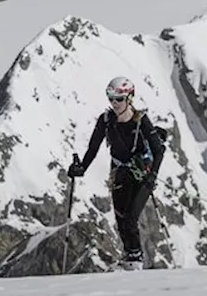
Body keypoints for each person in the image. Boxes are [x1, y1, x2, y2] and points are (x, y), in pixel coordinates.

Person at [67, 76, 166, 270]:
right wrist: (82, 169)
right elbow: (93, 148)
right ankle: (130, 256)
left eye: (119, 99)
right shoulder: (105, 121)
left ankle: (135, 259)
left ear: (130, 98)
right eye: (111, 98)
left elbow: (158, 150)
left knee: (130, 217)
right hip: (119, 173)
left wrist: (152, 176)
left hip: (141, 174)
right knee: (121, 217)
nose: (114, 103)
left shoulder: (141, 121)